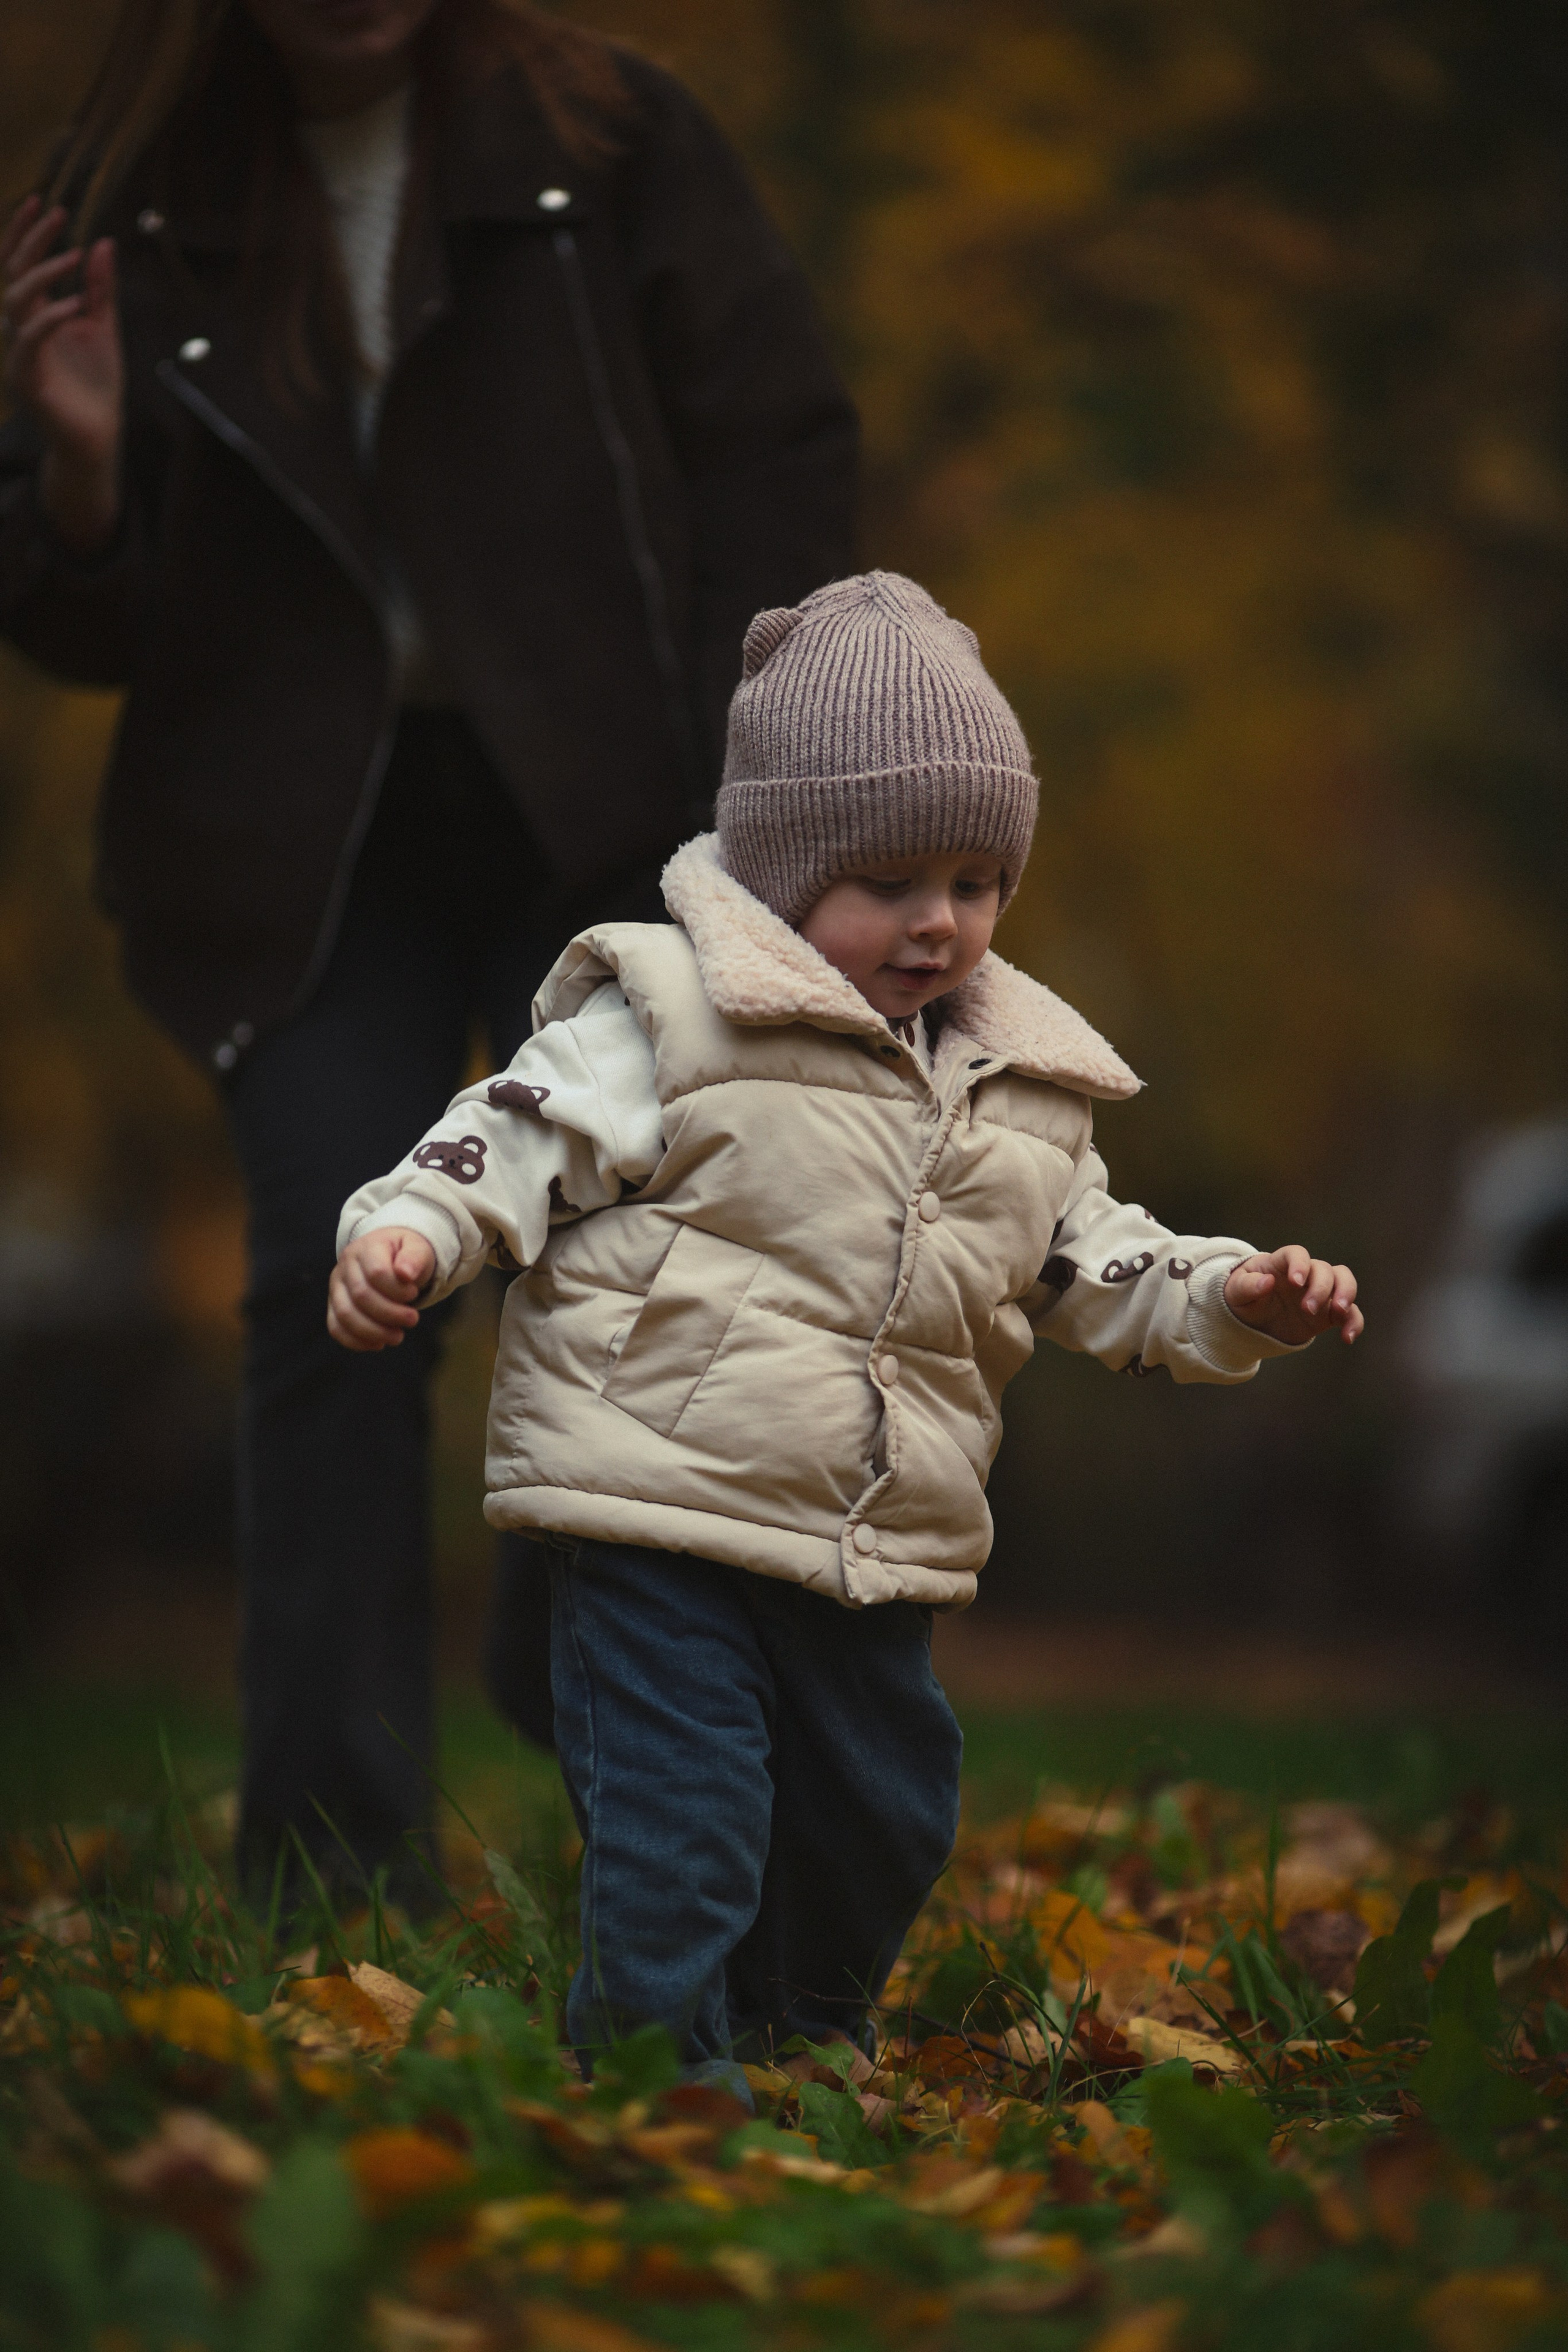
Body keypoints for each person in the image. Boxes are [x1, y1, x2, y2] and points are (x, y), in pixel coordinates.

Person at [0, 0, 856, 1907]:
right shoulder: (132, 199)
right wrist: (73, 462)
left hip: (611, 809)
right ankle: (324, 1870)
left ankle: (583, 1686)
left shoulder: (616, 142)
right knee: (335, 1270)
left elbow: (777, 460)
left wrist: (762, 811)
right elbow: (85, 621)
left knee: (626, 1269)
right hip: (306, 841)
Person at [327, 571, 1364, 2065]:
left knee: (880, 1820)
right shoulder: (669, 1015)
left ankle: (801, 2043)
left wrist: (1230, 1296)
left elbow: (1093, 1264)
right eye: (887, 882)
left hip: (872, 1547)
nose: (938, 923)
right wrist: (410, 1232)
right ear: (784, 865)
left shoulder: (1021, 1088)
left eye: (975, 881)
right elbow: (509, 1133)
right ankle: (657, 2085)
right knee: (686, 1826)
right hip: (652, 1516)